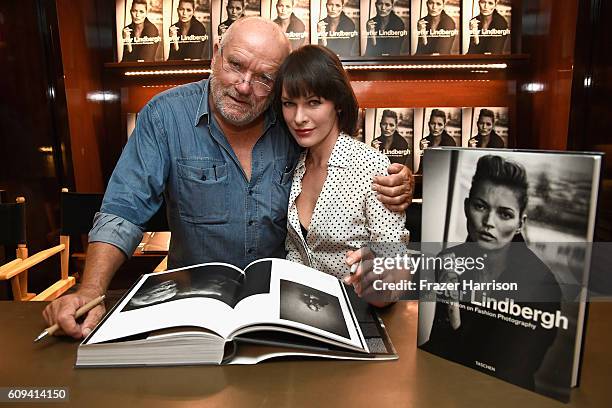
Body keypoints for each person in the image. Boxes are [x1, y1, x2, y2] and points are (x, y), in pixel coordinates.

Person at [42, 17, 413, 339]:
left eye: (265, 78)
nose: (244, 86)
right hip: (191, 311)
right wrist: (90, 290)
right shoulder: (165, 116)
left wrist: (396, 178)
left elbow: (342, 158)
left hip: (278, 313)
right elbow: (124, 209)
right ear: (215, 53)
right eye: (235, 65)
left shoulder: (290, 126)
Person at [275, 45, 410, 305]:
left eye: (313, 102)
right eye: (289, 104)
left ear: (337, 103)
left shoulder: (372, 167)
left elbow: (395, 273)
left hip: (358, 318)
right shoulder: (292, 162)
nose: (299, 117)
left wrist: (378, 280)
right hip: (298, 317)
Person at [422, 155, 562, 390]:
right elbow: (440, 347)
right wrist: (452, 307)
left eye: (505, 214)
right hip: (446, 386)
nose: (488, 222)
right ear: (467, 207)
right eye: (480, 206)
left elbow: (514, 371)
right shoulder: (448, 261)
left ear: (520, 223)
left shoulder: (541, 285)